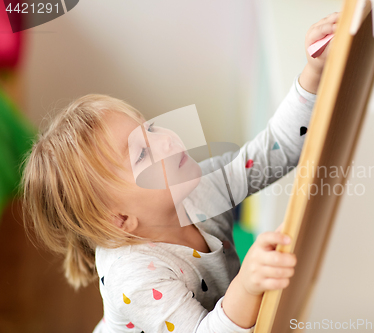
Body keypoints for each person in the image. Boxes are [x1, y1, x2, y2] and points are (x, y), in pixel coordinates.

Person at [21, 12, 339, 333]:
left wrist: (313, 72)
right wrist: (246, 286)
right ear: (120, 220)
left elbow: (276, 150)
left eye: (151, 128)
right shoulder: (136, 280)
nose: (167, 139)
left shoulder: (194, 189)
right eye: (143, 153)